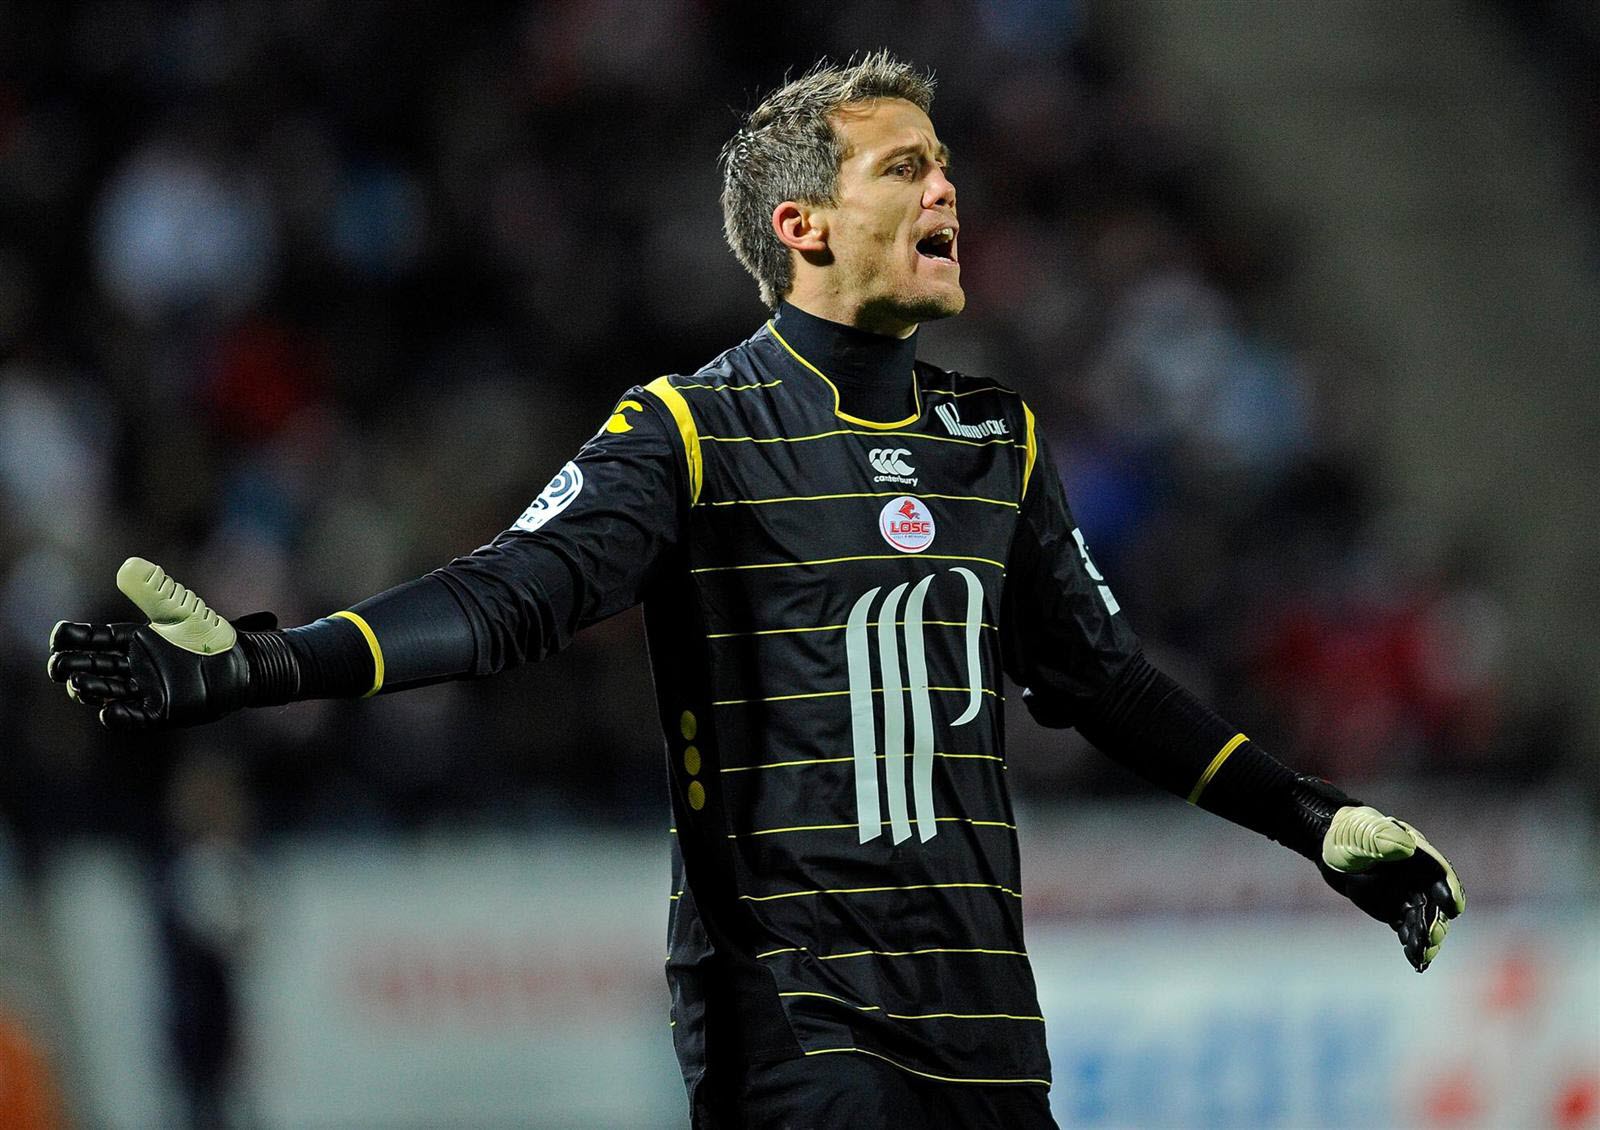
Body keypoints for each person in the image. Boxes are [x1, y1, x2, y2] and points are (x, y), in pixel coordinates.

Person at [47, 52, 1463, 1130]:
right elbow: (509, 595)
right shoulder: (689, 430)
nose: (947, 191)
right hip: (793, 1015)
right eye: (904, 169)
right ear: (803, 224)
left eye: (945, 165)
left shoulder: (998, 441)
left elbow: (1108, 684)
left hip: (986, 1023)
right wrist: (270, 661)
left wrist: (1313, 817)